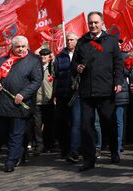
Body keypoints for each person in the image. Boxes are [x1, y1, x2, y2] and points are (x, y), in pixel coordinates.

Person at [71, 11, 123, 171]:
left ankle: (114, 151)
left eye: (96, 22)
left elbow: (118, 63)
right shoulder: (82, 42)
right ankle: (89, 159)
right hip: (86, 91)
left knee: (109, 123)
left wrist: (118, 82)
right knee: (86, 126)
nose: (93, 25)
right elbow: (74, 64)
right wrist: (77, 68)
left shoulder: (111, 41)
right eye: (90, 23)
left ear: (102, 23)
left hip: (106, 90)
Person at [0, 36, 42, 172]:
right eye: (17, 47)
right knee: (1, 131)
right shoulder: (3, 60)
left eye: (23, 46)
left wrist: (23, 94)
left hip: (19, 103)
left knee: (16, 133)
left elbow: (36, 81)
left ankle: (11, 161)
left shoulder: (33, 61)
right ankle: (19, 150)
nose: (20, 49)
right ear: (12, 47)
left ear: (27, 47)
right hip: (2, 102)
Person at [53, 32, 81, 163]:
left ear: (77, 41)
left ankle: (75, 149)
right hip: (62, 93)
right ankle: (65, 149)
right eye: (68, 40)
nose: (69, 42)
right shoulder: (60, 56)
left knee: (75, 122)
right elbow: (56, 76)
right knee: (61, 122)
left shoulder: (81, 54)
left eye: (72, 40)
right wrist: (55, 94)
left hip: (77, 94)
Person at [32, 48, 55, 154]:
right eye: (41, 55)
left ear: (49, 56)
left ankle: (48, 144)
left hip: (49, 100)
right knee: (37, 125)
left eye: (45, 55)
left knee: (49, 124)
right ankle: (39, 145)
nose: (43, 57)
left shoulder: (53, 68)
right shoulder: (35, 68)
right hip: (37, 100)